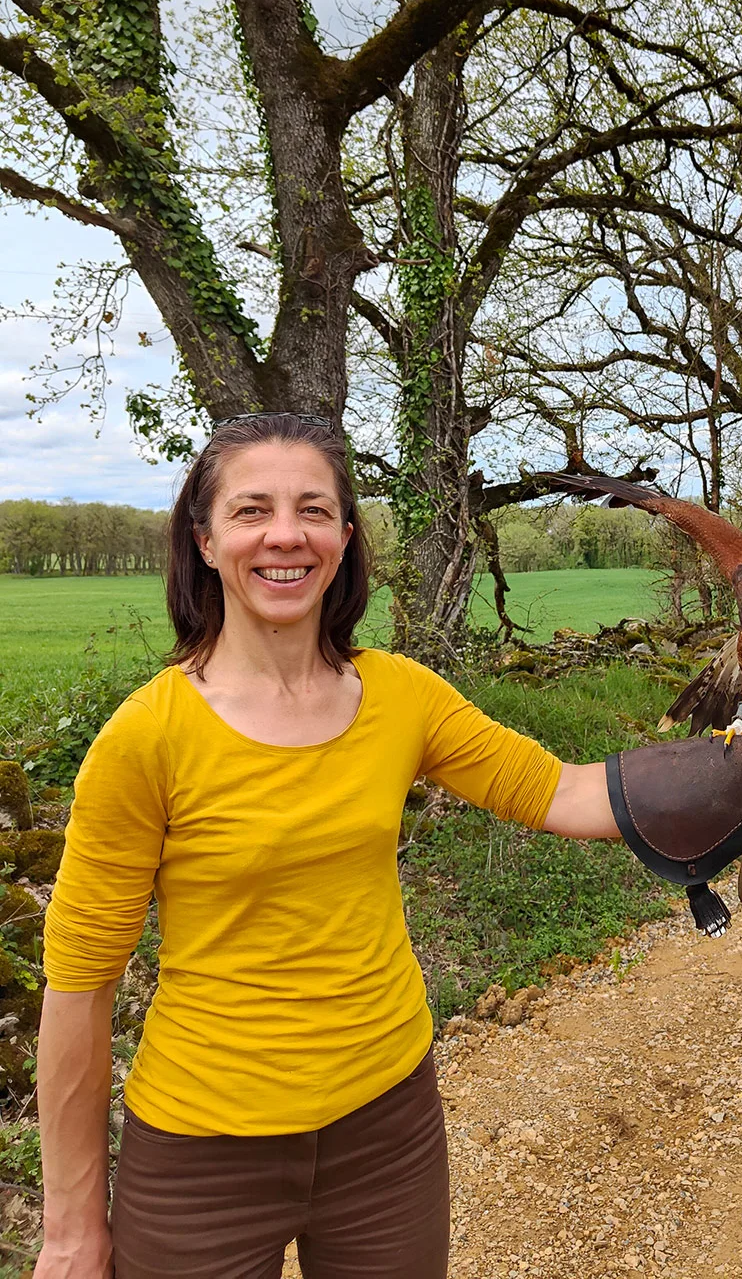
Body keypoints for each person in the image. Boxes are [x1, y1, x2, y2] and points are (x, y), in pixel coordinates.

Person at [34, 412, 620, 1279]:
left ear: (344, 539)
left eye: (313, 510)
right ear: (203, 541)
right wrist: (73, 1227)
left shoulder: (401, 695)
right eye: (251, 510)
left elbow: (560, 790)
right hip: (202, 1154)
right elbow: (79, 986)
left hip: (389, 1128)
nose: (286, 535)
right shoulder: (144, 739)